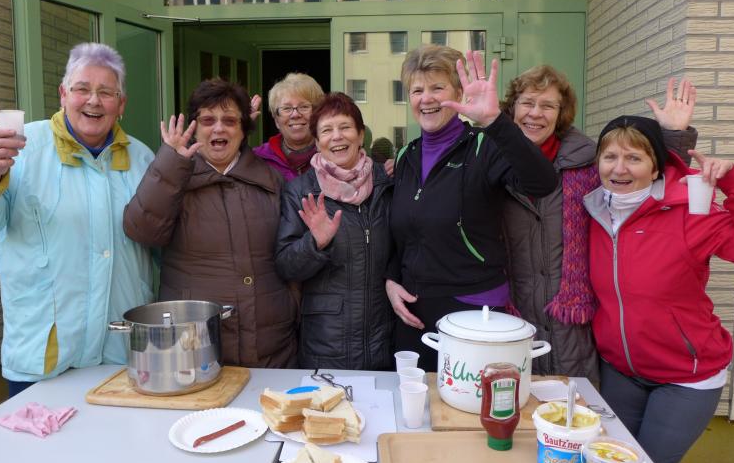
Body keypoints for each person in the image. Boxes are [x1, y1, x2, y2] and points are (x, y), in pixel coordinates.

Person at [0, 43, 155, 396]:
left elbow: (161, 242)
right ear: (63, 94)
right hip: (43, 353)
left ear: (121, 104)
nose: (93, 101)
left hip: (121, 352)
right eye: (82, 89)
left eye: (106, 92)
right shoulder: (20, 148)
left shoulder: (142, 159)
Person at [583, 115, 734, 463]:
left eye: (634, 158)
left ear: (655, 168)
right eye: (610, 156)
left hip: (685, 377)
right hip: (620, 371)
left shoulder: (688, 212)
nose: (619, 168)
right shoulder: (592, 213)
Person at [500, 68, 698, 380]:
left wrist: (674, 137)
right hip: (511, 320)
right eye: (527, 103)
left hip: (575, 327)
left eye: (548, 105)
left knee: (574, 405)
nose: (535, 114)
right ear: (512, 108)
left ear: (561, 113)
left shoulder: (589, 162)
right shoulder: (489, 161)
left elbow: (652, 194)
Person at [384, 44, 558, 372]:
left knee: (470, 403)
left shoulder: (484, 146)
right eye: (417, 90)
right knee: (415, 402)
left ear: (459, 93)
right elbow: (405, 232)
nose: (426, 98)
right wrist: (392, 280)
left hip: (474, 314)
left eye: (437, 88)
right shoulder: (406, 156)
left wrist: (495, 122)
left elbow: (543, 183)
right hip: (413, 311)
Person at [123, 79, 298, 368]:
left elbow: (290, 256)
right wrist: (170, 163)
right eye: (207, 120)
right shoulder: (174, 175)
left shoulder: (271, 180)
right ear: (194, 128)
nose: (218, 128)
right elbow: (142, 231)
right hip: (196, 345)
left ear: (243, 129)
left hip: (272, 346)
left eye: (230, 120)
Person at [275, 92, 395, 370]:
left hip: (384, 338)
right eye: (327, 130)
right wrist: (315, 243)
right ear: (317, 142)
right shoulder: (301, 191)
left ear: (361, 135)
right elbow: (285, 265)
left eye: (345, 127)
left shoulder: (386, 184)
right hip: (326, 344)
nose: (337, 136)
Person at [254, 73, 324, 181]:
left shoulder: (332, 155)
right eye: (286, 108)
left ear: (318, 113)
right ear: (276, 120)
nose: (295, 115)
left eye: (304, 107)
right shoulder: (258, 158)